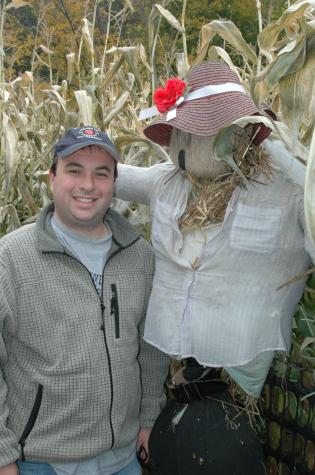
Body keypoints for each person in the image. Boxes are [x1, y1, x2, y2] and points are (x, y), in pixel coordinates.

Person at [115, 62, 315, 474]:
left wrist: (281, 147)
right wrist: (76, 162)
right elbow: (113, 179)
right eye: (183, 134)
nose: (188, 147)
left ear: (242, 132)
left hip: (233, 399)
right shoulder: (167, 182)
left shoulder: (286, 190)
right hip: (174, 394)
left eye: (208, 133)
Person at [0, 126, 169, 475]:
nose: (87, 185)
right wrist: (3, 455)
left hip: (123, 459)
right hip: (39, 462)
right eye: (74, 170)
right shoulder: (11, 258)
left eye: (101, 174)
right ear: (52, 177)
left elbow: (152, 347)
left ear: (114, 183)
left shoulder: (140, 256)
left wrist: (150, 416)